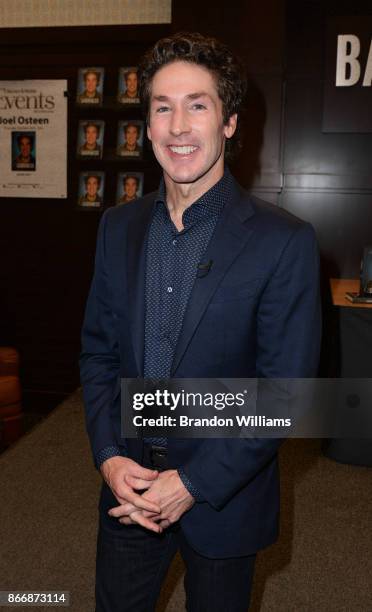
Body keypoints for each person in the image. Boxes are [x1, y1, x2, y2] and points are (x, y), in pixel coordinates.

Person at [80, 32, 321, 611]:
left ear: (230, 122)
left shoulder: (284, 242)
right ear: (148, 125)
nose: (179, 127)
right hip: (129, 488)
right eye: (163, 107)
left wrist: (190, 485)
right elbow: (98, 354)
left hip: (223, 498)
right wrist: (110, 455)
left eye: (198, 105)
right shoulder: (119, 227)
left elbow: (284, 394)